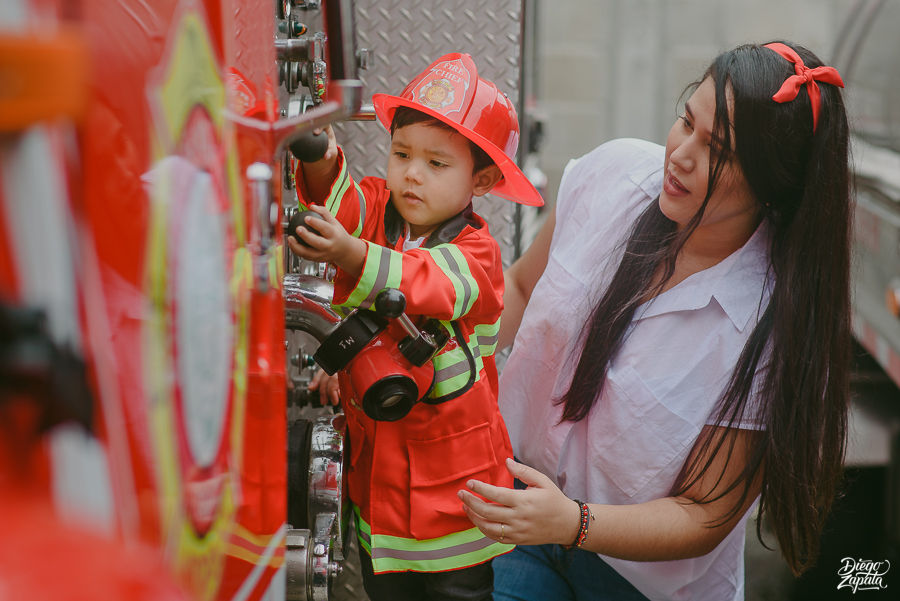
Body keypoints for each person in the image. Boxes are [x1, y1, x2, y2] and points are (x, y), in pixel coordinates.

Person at [458, 41, 851, 601]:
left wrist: (572, 522)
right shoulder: (612, 175)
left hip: (641, 581)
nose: (681, 156)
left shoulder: (772, 325)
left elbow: (702, 513)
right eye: (686, 122)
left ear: (772, 186)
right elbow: (519, 287)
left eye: (717, 150)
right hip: (521, 508)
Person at [287, 53, 544, 601]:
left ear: (482, 179)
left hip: (453, 499)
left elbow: (425, 281)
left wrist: (351, 253)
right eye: (401, 153)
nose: (412, 173)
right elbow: (343, 205)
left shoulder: (477, 254)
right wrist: (320, 157)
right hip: (379, 490)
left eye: (436, 163)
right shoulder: (381, 211)